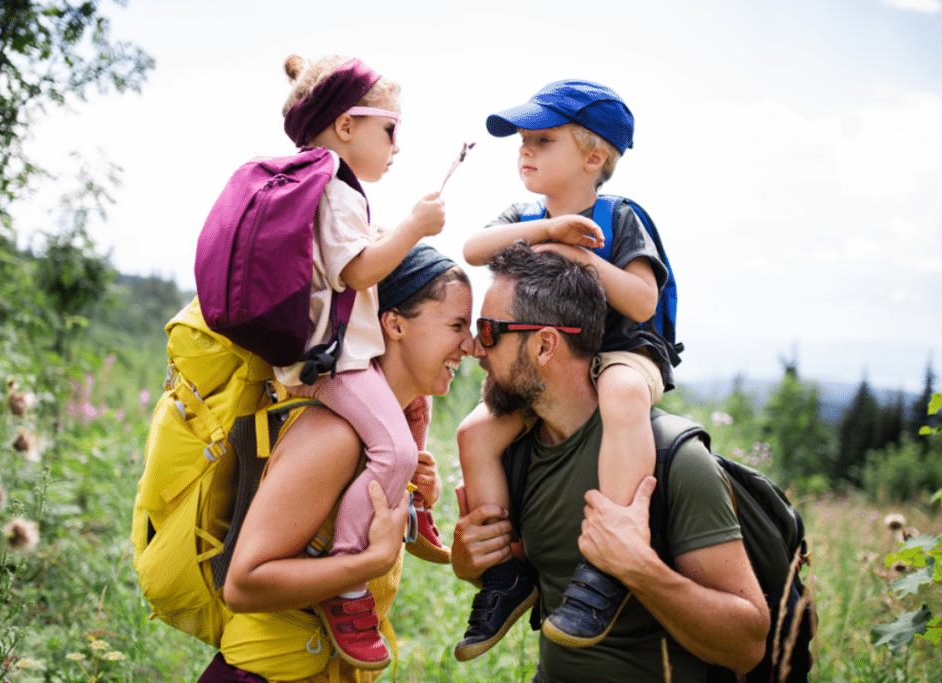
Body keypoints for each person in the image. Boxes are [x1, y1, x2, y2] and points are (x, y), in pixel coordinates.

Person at [451, 243, 769, 682]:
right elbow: (545, 578)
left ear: (545, 345)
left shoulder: (674, 459)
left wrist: (641, 571)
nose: (475, 349)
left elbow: (748, 645)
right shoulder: (515, 456)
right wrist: (476, 566)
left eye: (489, 332)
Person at [455, 79, 678, 658]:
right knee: (474, 432)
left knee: (623, 395)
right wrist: (547, 232)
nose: (524, 150)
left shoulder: (621, 217)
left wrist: (579, 254)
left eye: (541, 140)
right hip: (551, 360)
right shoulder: (524, 217)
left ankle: (610, 558)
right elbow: (474, 249)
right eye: (522, 140)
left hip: (622, 352)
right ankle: (506, 572)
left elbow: (642, 302)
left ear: (593, 156)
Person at [205, 244, 475, 683]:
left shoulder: (388, 441)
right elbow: (243, 583)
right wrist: (362, 566)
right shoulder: (334, 436)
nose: (471, 344)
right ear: (394, 324)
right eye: (456, 325)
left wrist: (415, 505)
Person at [274, 54, 451, 669]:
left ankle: (412, 510)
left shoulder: (332, 188)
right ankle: (348, 581)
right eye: (391, 130)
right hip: (336, 360)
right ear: (346, 127)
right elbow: (359, 271)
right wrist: (415, 227)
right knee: (396, 451)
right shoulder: (334, 191)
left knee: (417, 408)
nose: (397, 145)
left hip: (350, 351)